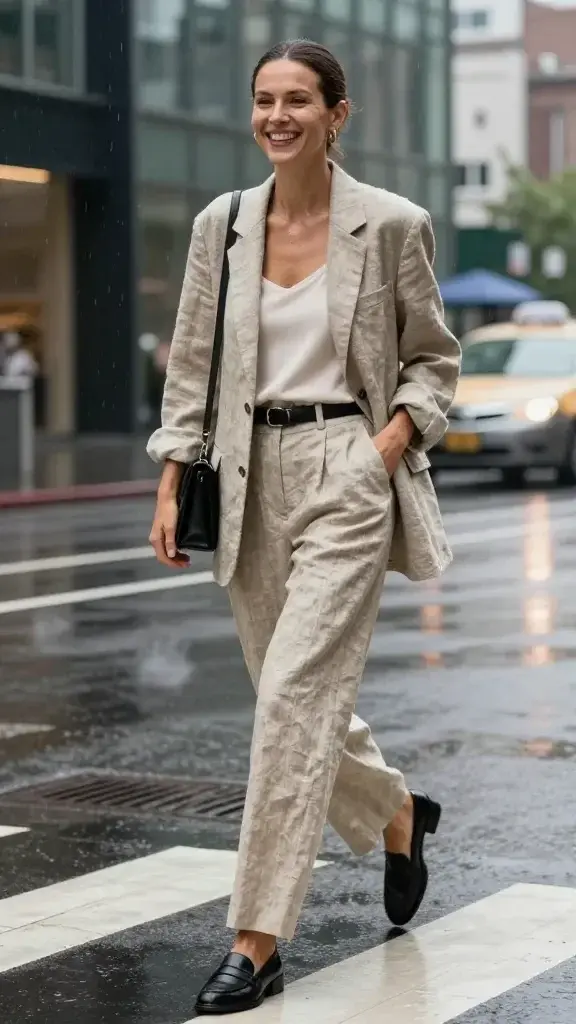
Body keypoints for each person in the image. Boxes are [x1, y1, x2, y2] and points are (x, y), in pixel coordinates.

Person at [147, 39, 461, 1017]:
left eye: (298, 100)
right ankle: (399, 815)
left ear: (338, 113)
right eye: (264, 100)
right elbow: (192, 360)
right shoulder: (224, 225)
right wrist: (170, 479)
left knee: (289, 699)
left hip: (346, 468)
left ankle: (257, 939)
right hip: (243, 473)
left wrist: (386, 446)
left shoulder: (391, 225)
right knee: (298, 696)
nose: (277, 116)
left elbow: (433, 362)